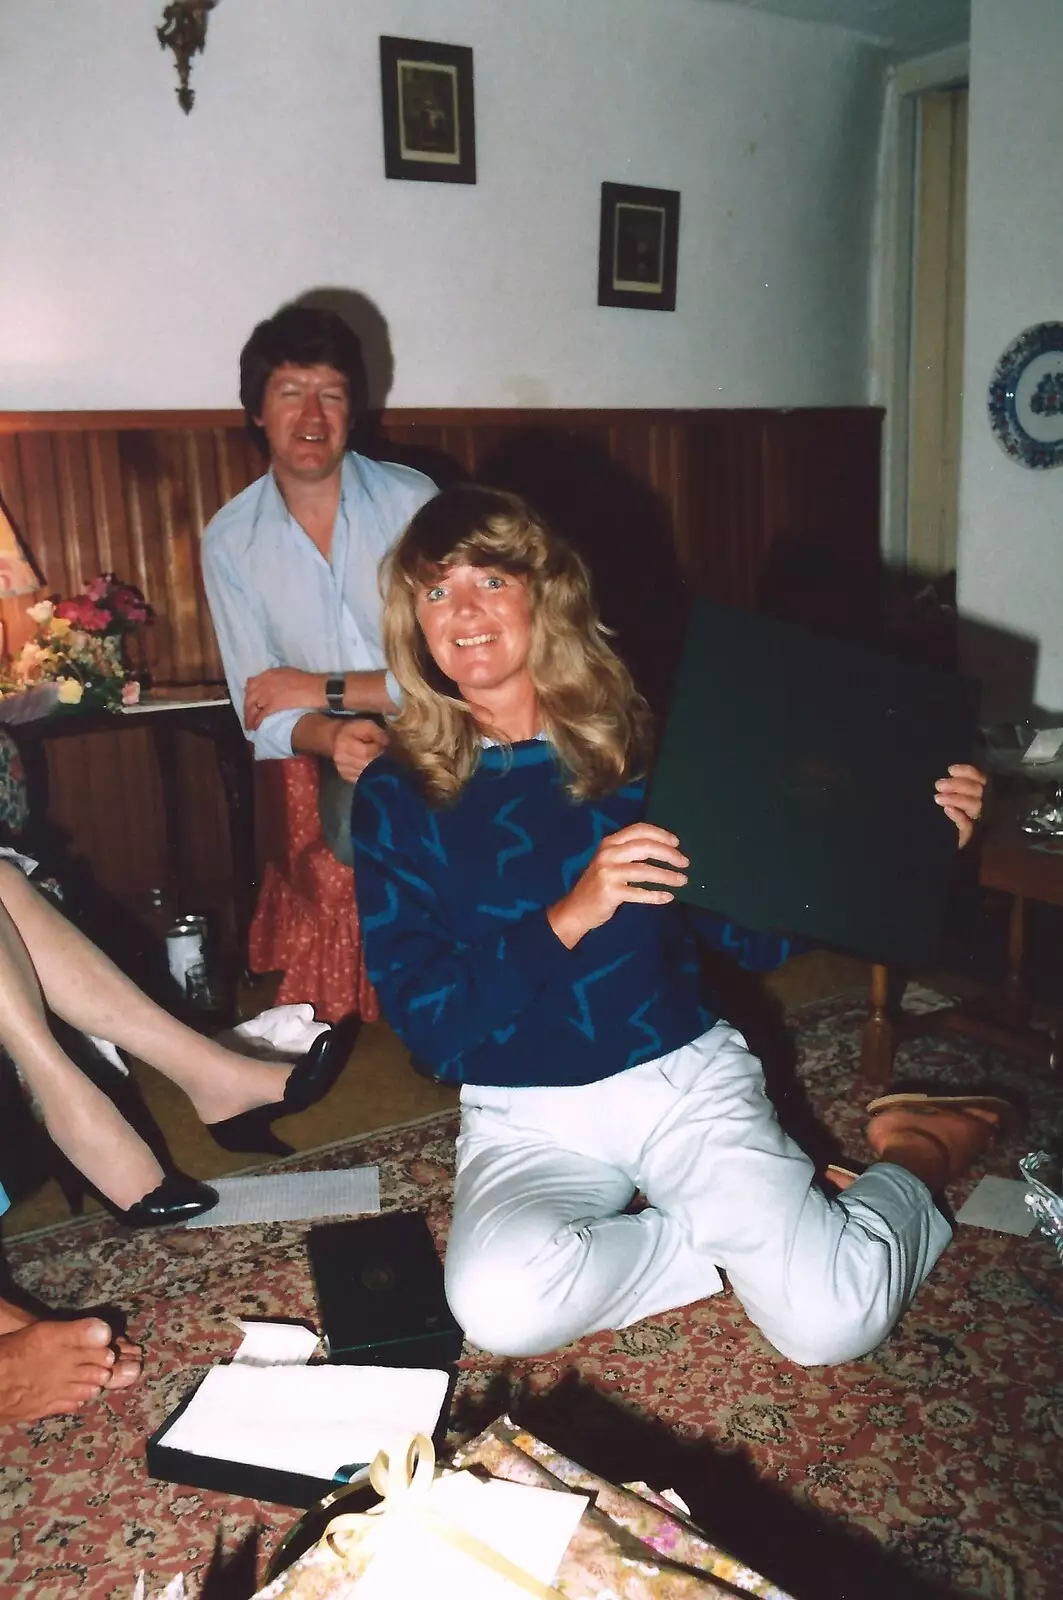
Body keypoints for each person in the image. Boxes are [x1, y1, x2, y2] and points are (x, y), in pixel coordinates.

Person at [350, 483, 1002, 1367]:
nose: (461, 611)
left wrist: (918, 846)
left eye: (489, 582)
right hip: (522, 1111)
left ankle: (918, 1155)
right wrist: (567, 916)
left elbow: (748, 931)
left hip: (678, 1078)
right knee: (498, 1310)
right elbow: (429, 1021)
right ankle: (747, 1236)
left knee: (828, 1328)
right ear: (411, 621)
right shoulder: (396, 793)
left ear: (544, 595)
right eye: (434, 591)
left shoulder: (641, 748)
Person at [202, 303, 437, 863]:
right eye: (290, 393)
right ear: (257, 410)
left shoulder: (414, 504)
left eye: (331, 394)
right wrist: (330, 736)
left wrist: (317, 687)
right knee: (360, 819)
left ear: (351, 409)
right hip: (340, 748)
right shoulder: (230, 540)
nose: (313, 415)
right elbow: (257, 709)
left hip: (449, 731)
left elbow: (446, 676)